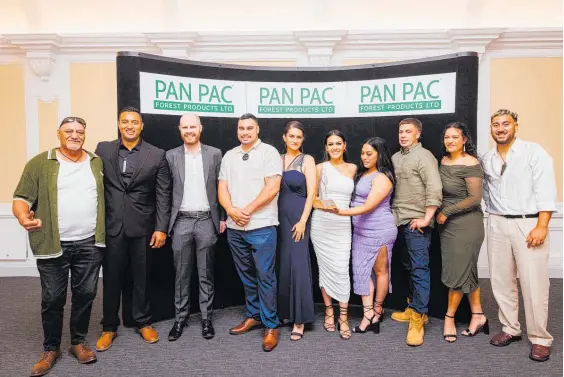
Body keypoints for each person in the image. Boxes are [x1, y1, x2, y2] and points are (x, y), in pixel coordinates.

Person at [13, 117, 105, 376]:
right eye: (69, 131)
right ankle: (51, 348)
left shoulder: (95, 162)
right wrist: (22, 216)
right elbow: (21, 198)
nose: (74, 135)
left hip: (89, 242)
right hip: (54, 243)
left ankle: (78, 342)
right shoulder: (41, 162)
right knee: (53, 297)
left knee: (85, 294)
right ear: (59, 134)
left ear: (84, 134)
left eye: (79, 131)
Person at [483, 109, 556, 362]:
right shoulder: (487, 158)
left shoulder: (534, 152)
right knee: (501, 281)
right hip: (496, 222)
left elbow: (546, 190)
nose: (500, 128)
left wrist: (542, 226)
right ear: (490, 128)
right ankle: (510, 328)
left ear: (516, 126)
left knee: (534, 284)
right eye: (496, 125)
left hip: (529, 223)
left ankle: (540, 338)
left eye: (506, 124)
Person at [95, 106, 171, 351]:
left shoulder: (156, 154)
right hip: (112, 226)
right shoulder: (103, 149)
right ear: (119, 124)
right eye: (125, 121)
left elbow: (163, 194)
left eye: (134, 122)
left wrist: (161, 228)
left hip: (144, 227)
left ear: (141, 126)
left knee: (143, 277)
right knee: (112, 280)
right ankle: (109, 327)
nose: (129, 126)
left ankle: (143, 322)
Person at [218, 113, 283, 352]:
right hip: (236, 228)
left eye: (249, 128)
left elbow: (273, 187)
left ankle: (270, 324)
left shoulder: (269, 152)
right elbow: (222, 187)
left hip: (262, 226)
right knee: (246, 276)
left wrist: (247, 209)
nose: (245, 132)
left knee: (265, 276)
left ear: (257, 130)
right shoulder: (229, 155)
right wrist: (231, 210)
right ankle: (253, 315)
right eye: (241, 128)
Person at [166, 114, 226, 341]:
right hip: (181, 221)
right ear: (179, 129)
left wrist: (222, 216)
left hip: (206, 221)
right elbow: (164, 193)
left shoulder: (215, 154)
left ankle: (206, 319)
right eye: (185, 127)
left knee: (206, 273)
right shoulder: (170, 156)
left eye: (193, 126)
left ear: (200, 128)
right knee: (181, 274)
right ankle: (180, 319)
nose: (189, 130)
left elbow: (223, 188)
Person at [329, 137, 397, 335]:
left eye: (369, 154)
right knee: (361, 272)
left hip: (379, 230)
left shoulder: (383, 177)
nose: (364, 157)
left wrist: (339, 212)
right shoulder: (363, 174)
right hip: (360, 231)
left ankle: (376, 310)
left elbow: (368, 206)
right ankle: (368, 312)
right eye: (362, 153)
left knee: (380, 271)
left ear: (379, 154)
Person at [391, 117, 442, 347]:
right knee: (408, 266)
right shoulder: (395, 157)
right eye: (401, 131)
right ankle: (413, 308)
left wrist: (426, 219)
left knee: (420, 268)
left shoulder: (424, 156)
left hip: (416, 222)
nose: (403, 135)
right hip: (398, 220)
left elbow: (434, 188)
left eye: (408, 131)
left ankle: (419, 318)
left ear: (417, 134)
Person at [436, 122, 487, 343]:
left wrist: (447, 211)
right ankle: (478, 315)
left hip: (466, 224)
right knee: (467, 270)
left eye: (455, 137)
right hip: (446, 225)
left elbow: (475, 199)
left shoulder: (471, 163)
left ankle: (450, 317)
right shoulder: (443, 160)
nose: (450, 141)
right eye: (447, 137)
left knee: (457, 273)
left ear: (464, 139)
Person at [310, 130, 356, 340]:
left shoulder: (354, 168)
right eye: (331, 144)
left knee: (341, 269)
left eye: (339, 143)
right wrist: (323, 205)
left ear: (345, 145)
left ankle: (343, 317)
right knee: (325, 269)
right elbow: (312, 198)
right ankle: (329, 310)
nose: (335, 147)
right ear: (326, 147)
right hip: (322, 223)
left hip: (342, 224)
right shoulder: (319, 168)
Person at [277, 121, 316, 341]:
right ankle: (286, 313)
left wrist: (303, 220)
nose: (294, 140)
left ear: (302, 139)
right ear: (284, 137)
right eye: (291, 136)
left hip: (298, 219)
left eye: (298, 137)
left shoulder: (307, 160)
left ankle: (299, 320)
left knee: (298, 264)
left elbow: (311, 194)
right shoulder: (277, 159)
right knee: (283, 263)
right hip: (278, 219)